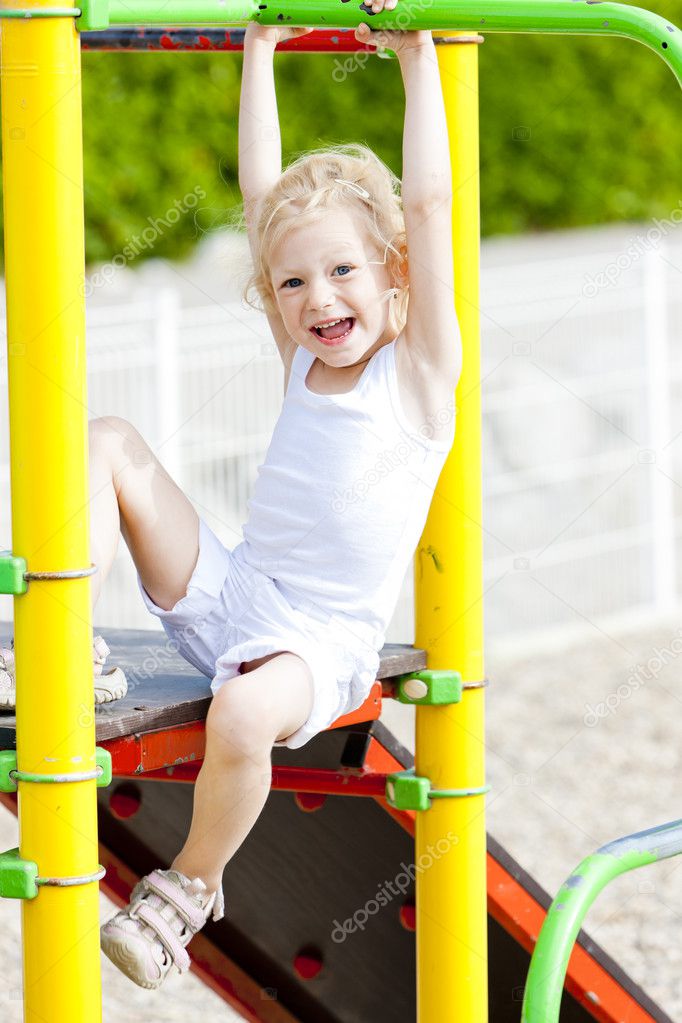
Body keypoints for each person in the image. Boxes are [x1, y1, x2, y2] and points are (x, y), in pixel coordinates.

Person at [99, 6, 461, 989]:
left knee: (243, 715)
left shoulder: (418, 378)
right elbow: (265, 197)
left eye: (343, 271)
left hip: (319, 647)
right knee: (109, 444)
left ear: (393, 278)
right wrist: (257, 54)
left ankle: (188, 889)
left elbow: (427, 206)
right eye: (293, 282)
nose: (317, 298)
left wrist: (416, 60)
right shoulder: (303, 358)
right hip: (236, 594)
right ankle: (52, 635)